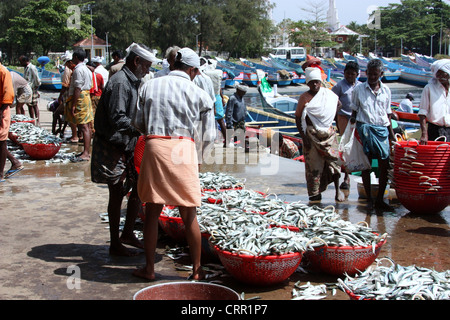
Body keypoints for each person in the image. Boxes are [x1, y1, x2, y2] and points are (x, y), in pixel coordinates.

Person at [132, 47, 215, 281]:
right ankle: (197, 270)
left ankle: (149, 269)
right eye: (196, 71)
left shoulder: (149, 85)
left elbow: (137, 121)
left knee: (152, 212)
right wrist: (199, 158)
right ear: (191, 69)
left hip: (155, 146)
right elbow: (209, 134)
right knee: (189, 215)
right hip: (183, 149)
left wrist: (155, 135)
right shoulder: (199, 93)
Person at [91, 42, 158, 257]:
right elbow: (118, 118)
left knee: (137, 189)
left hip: (127, 145)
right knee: (117, 193)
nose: (147, 71)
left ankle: (127, 233)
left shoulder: (135, 82)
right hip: (113, 145)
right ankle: (114, 242)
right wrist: (141, 131)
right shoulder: (120, 82)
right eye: (146, 66)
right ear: (136, 61)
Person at [350, 59, 395, 211]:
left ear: (381, 74)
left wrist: (392, 135)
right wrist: (350, 132)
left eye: (375, 74)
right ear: (366, 73)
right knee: (366, 165)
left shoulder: (386, 91)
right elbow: (354, 112)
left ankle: (380, 199)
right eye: (369, 74)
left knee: (385, 166)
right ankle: (369, 199)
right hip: (365, 130)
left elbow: (388, 114)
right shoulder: (359, 89)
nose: (372, 77)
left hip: (382, 130)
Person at [295, 67, 343, 202]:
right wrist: (303, 136)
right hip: (311, 135)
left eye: (317, 82)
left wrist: (329, 116)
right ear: (307, 83)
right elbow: (298, 117)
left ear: (320, 82)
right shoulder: (304, 97)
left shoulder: (328, 95)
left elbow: (339, 104)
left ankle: (338, 191)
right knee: (313, 168)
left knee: (334, 163)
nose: (315, 85)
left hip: (328, 134)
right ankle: (315, 194)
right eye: (311, 82)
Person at [332, 61, 361, 190]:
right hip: (344, 118)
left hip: (358, 120)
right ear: (344, 73)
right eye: (347, 73)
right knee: (345, 147)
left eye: (352, 74)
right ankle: (346, 177)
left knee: (357, 146)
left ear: (357, 75)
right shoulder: (339, 86)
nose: (350, 76)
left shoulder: (360, 86)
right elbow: (332, 102)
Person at [66, 49, 94, 162]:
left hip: (81, 98)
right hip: (86, 96)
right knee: (86, 126)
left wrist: (73, 104)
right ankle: (85, 151)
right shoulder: (86, 69)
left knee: (84, 126)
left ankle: (86, 153)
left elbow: (77, 88)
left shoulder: (79, 70)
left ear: (76, 57)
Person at [0, 58, 23, 182]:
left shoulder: (3, 72)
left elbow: (8, 95)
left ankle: (0, 174)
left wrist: (1, 113)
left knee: (2, 141)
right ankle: (15, 161)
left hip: (1, 110)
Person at [418, 59, 450, 144]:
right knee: (436, 156)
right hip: (435, 130)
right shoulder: (429, 88)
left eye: (442, 73)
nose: (439, 76)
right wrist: (424, 134)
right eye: (438, 73)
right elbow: (422, 113)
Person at [204, 59, 227, 146]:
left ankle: (211, 141)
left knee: (209, 121)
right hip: (217, 97)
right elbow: (219, 87)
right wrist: (222, 98)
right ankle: (226, 140)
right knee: (221, 120)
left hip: (210, 97)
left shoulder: (206, 74)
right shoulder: (218, 73)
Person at [19, 55, 41, 124]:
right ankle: (32, 120)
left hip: (32, 88)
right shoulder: (26, 68)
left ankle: (37, 120)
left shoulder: (32, 67)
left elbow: (36, 78)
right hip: (27, 88)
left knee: (34, 105)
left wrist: (36, 87)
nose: (20, 64)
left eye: (21, 62)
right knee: (29, 105)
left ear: (25, 61)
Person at [86, 61, 105, 135]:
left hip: (92, 96)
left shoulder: (90, 75)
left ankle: (94, 130)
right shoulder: (99, 75)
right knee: (99, 114)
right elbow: (102, 87)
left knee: (92, 115)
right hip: (99, 96)